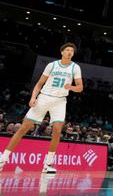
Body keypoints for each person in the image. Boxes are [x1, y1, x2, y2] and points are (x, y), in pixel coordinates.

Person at [0, 43, 83, 173]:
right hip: (44, 97)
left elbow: (80, 87)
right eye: (67, 50)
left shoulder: (75, 67)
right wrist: (33, 98)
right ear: (62, 52)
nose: (70, 52)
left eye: (72, 50)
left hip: (60, 101)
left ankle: (47, 164)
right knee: (24, 127)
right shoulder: (52, 65)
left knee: (57, 130)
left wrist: (71, 87)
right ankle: (3, 159)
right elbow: (39, 84)